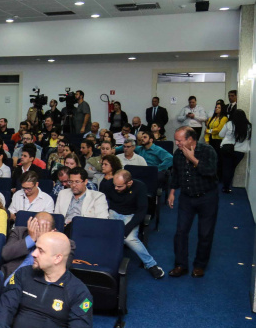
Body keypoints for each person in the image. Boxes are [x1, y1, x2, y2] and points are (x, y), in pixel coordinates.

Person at [168, 126, 219, 278]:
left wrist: (192, 159)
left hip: (207, 197)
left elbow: (211, 172)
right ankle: (180, 265)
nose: (177, 143)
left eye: (179, 140)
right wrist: (172, 192)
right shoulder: (177, 154)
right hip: (186, 198)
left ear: (190, 139)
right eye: (176, 140)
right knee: (181, 232)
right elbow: (176, 174)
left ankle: (199, 265)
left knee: (205, 233)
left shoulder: (207, 151)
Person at [106, 170, 165, 279]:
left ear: (129, 183)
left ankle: (151, 264)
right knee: (105, 236)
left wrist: (127, 229)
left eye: (119, 186)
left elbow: (142, 211)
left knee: (130, 239)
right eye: (115, 185)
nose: (115, 188)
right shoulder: (110, 184)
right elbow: (104, 202)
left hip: (130, 215)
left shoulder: (140, 187)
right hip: (113, 213)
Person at [1, 211, 56, 278]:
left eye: (43, 228)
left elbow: (57, 268)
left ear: (53, 231)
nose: (39, 231)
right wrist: (31, 238)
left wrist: (43, 241)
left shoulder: (64, 243)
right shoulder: (19, 232)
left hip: (37, 281)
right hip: (12, 277)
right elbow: (6, 254)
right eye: (36, 226)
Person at [218, 109, 251, 193]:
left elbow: (220, 134)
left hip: (227, 149)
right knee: (232, 168)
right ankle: (228, 185)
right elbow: (249, 138)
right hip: (240, 151)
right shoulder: (248, 126)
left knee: (226, 168)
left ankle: (225, 187)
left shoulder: (229, 124)